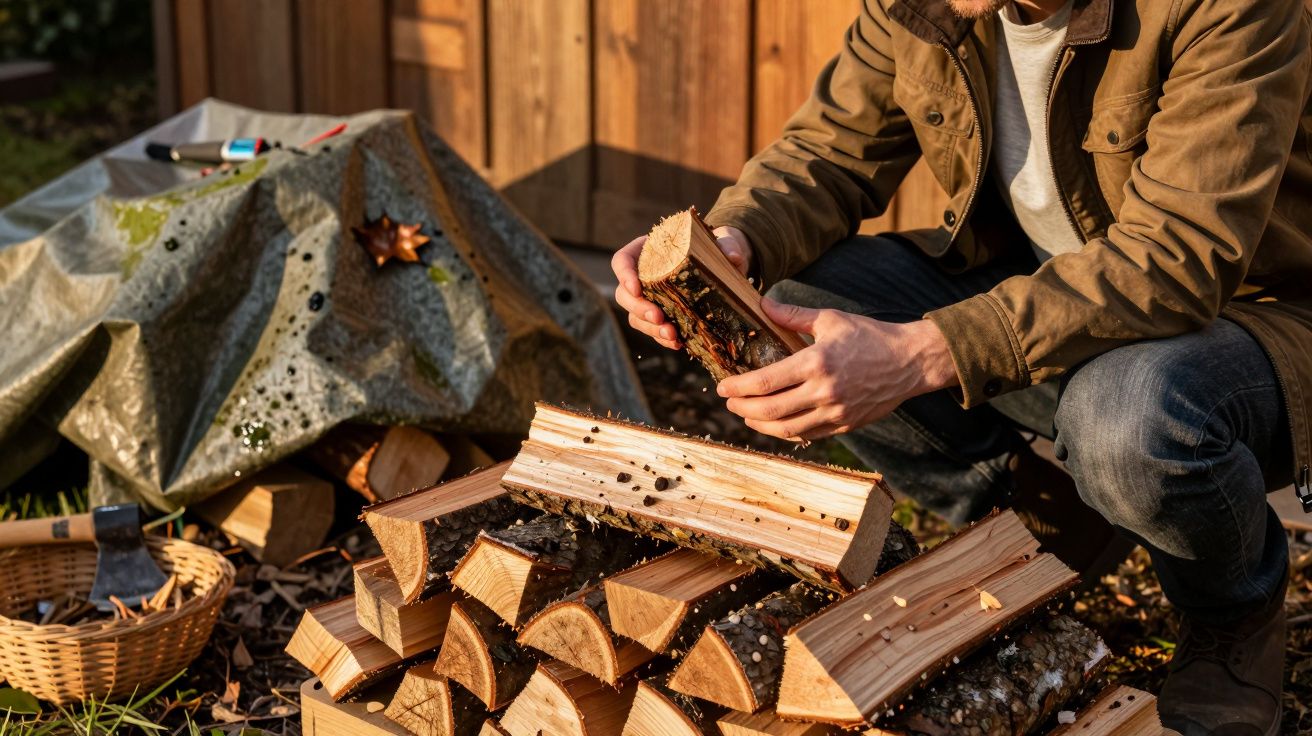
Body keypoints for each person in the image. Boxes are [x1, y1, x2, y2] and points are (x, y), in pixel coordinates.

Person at [612, 0, 1312, 732]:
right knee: (809, 303)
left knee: (1126, 414)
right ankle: (1042, 522)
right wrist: (732, 242)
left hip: (1252, 322)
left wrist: (922, 354)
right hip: (1049, 297)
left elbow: (1178, 259)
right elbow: (827, 151)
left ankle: (1231, 613)